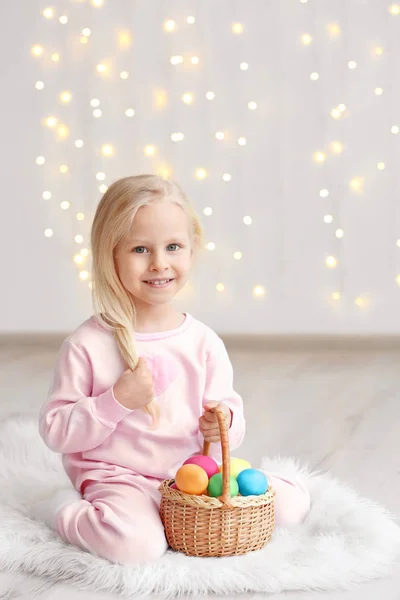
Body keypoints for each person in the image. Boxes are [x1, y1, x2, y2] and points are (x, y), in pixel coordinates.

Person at [33, 174, 310, 564]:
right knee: (139, 547)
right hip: (119, 478)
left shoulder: (203, 342)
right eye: (140, 249)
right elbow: (56, 430)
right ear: (110, 254)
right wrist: (116, 401)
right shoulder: (88, 344)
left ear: (192, 250)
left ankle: (281, 484)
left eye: (173, 247)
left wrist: (224, 422)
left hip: (188, 477)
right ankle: (67, 511)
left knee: (287, 510)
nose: (159, 263)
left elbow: (228, 412)